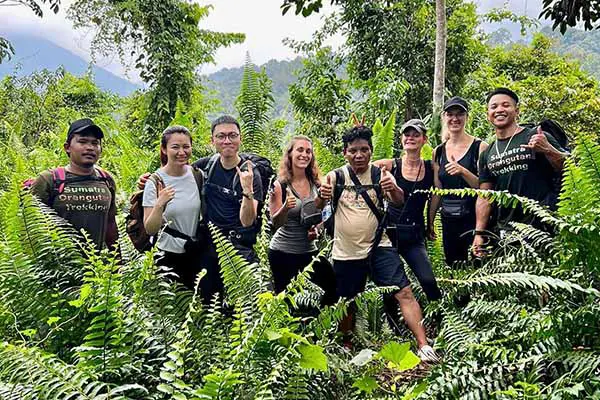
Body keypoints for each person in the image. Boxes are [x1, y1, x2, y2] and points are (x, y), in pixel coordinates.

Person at [317, 124, 438, 362]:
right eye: (353, 150)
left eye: (364, 150)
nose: (359, 155)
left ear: (371, 151)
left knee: (404, 291)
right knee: (347, 302)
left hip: (379, 246)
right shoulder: (336, 176)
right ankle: (347, 345)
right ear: (345, 152)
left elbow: (398, 201)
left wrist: (393, 189)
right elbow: (319, 208)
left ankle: (423, 345)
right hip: (346, 251)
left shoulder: (380, 174)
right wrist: (321, 195)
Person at [472, 88, 567, 257]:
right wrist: (479, 234)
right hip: (506, 231)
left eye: (505, 105)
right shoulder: (488, 153)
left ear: (517, 111)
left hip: (542, 227)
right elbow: (484, 196)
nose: (499, 109)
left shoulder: (536, 136)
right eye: (493, 107)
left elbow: (571, 169)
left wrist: (548, 149)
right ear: (488, 114)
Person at [374, 119, 442, 301]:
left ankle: (441, 321)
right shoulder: (389, 165)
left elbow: (437, 194)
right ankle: (395, 326)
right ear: (401, 138)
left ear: (424, 139)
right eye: (407, 134)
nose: (410, 138)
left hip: (414, 235)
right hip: (390, 234)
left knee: (428, 281)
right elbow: (359, 167)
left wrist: (430, 223)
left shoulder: (430, 168)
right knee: (390, 288)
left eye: (416, 134)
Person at [30, 118, 117, 251]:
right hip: (57, 268)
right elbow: (31, 228)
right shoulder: (48, 180)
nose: (90, 147)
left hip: (96, 268)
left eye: (95, 143)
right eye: (82, 142)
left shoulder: (106, 180)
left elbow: (110, 224)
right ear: (67, 147)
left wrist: (117, 263)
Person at [269, 135, 336, 305]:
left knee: (332, 288)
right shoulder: (280, 185)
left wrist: (318, 229)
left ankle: (322, 328)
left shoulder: (317, 184)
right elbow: (275, 223)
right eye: (300, 150)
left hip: (308, 251)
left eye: (308, 151)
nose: (304, 154)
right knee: (284, 303)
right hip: (282, 252)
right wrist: (285, 207)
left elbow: (324, 215)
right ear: (290, 154)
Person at [429, 97, 488, 267]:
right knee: (454, 267)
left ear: (466, 117)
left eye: (460, 114)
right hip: (449, 220)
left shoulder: (480, 147)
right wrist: (430, 222)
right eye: (450, 114)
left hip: (474, 218)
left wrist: (463, 172)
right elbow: (437, 190)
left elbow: (486, 189)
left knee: (477, 269)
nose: (455, 119)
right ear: (444, 117)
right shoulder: (438, 151)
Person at [142, 126, 204, 290]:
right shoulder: (155, 182)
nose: (181, 152)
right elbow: (150, 229)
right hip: (166, 256)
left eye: (186, 147)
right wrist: (159, 204)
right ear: (164, 149)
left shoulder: (197, 175)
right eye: (175, 147)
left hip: (193, 252)